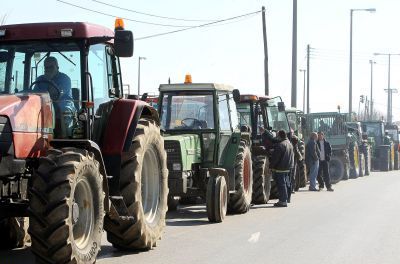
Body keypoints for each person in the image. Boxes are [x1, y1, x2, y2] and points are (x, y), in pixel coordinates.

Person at [33, 56, 76, 138]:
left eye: (51, 67)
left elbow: (57, 94)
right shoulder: (40, 79)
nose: (48, 69)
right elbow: (34, 94)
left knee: (64, 109)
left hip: (62, 103)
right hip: (45, 104)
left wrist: (49, 80)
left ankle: (66, 138)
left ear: (57, 67)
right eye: (46, 67)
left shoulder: (65, 79)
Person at [269, 130, 295, 207]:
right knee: (287, 183)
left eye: (277, 135)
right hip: (288, 167)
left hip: (280, 168)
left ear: (280, 136)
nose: (276, 137)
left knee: (281, 184)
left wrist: (271, 167)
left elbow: (276, 158)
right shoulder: (289, 143)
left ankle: (283, 201)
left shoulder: (280, 145)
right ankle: (287, 199)